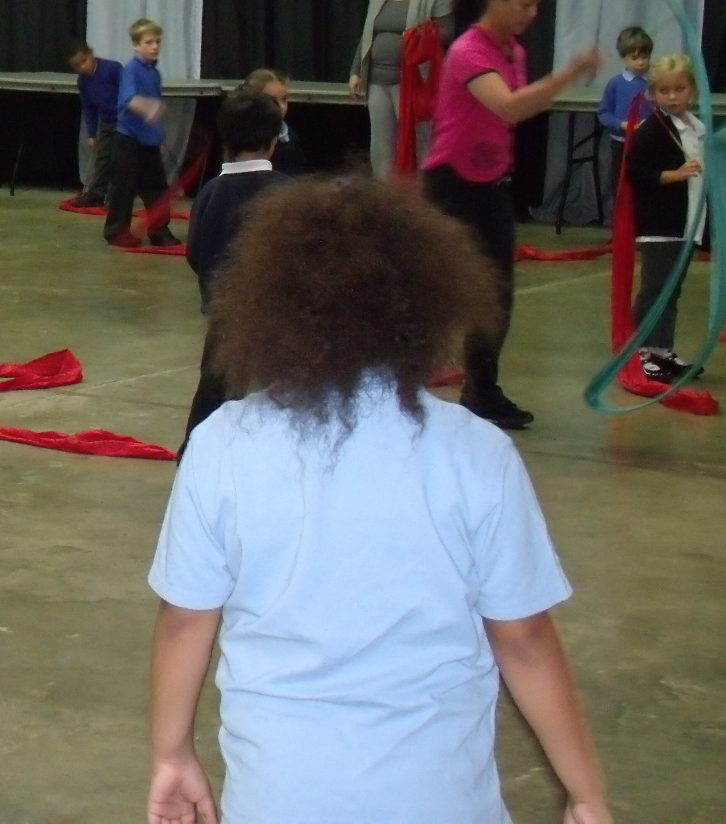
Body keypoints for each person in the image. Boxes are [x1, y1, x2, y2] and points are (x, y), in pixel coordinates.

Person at [147, 178, 611, 824]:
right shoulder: (478, 454)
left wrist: (172, 753)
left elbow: (185, 621)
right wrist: (584, 793)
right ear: (427, 308)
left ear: (266, 305)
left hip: (281, 800)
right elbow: (525, 638)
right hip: (440, 801)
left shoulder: (222, 445)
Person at [423, 0, 599, 430]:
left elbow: (517, 110)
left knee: (497, 295)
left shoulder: (514, 53)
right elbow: (509, 107)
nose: (532, 14)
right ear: (495, 1)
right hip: (450, 185)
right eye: (526, 3)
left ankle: (481, 389)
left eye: (537, 5)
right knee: (435, 292)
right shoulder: (469, 50)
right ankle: (398, 382)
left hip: (489, 186)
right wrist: (569, 73)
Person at [180, 90, 289, 450]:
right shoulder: (287, 193)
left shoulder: (210, 192)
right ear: (274, 141)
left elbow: (195, 251)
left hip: (223, 317)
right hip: (276, 322)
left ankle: (193, 456)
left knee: (212, 394)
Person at [626, 53, 707, 383]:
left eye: (680, 89)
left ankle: (662, 349)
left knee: (671, 292)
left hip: (686, 224)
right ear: (653, 94)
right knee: (655, 290)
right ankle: (641, 352)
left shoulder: (695, 127)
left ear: (692, 91)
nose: (673, 97)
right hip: (660, 227)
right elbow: (635, 173)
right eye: (665, 90)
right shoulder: (652, 131)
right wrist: (674, 175)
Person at [349, 0, 454, 176]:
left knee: (419, 146)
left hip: (414, 84)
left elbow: (448, 33)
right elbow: (368, 35)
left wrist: (416, 37)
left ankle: (418, 203)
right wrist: (355, 71)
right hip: (377, 82)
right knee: (381, 149)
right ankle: (387, 204)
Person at [106, 19, 178, 248]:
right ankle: (116, 231)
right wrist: (150, 108)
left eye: (157, 41)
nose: (155, 46)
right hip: (129, 140)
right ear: (136, 46)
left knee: (157, 188)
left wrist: (158, 131)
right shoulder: (131, 70)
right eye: (149, 42)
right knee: (123, 188)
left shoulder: (154, 73)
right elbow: (129, 99)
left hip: (148, 141)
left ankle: (159, 231)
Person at [597, 27, 652, 212]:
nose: (640, 62)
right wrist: (621, 124)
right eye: (634, 58)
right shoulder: (615, 84)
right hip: (621, 144)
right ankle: (620, 233)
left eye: (644, 57)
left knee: (644, 187)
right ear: (624, 57)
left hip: (646, 145)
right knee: (620, 188)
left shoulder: (653, 83)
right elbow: (603, 113)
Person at [67, 40, 123, 207]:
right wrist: (92, 134)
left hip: (125, 121)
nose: (82, 67)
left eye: (84, 61)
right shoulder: (82, 82)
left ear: (91, 54)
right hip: (107, 122)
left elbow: (130, 90)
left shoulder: (113, 69)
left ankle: (116, 198)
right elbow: (89, 108)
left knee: (119, 158)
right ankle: (96, 194)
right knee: (103, 158)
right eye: (77, 66)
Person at [240, 69, 303, 175]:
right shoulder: (238, 134)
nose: (281, 107)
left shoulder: (290, 139)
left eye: (284, 99)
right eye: (273, 100)